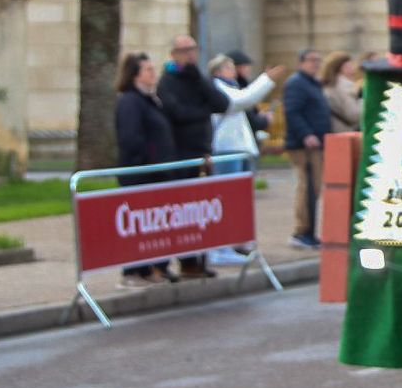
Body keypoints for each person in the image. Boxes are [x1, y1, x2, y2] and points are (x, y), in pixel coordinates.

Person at [155, 34, 232, 278]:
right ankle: (166, 262)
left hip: (202, 153)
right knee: (178, 210)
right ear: (174, 54)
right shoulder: (167, 81)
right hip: (179, 154)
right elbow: (177, 113)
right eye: (184, 50)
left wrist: (199, 81)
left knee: (199, 211)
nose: (190, 54)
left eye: (193, 49)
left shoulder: (197, 78)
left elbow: (221, 103)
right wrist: (202, 110)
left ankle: (195, 261)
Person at [208, 52, 286, 266]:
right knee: (228, 200)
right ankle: (222, 246)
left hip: (238, 150)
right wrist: (266, 80)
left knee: (239, 202)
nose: (233, 71)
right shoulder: (218, 88)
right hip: (226, 150)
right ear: (218, 71)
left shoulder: (231, 87)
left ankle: (237, 241)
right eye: (228, 67)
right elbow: (243, 101)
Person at [113, 52, 176, 287]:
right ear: (136, 75)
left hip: (157, 174)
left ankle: (155, 266)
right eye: (148, 70)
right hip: (140, 175)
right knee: (138, 225)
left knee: (155, 224)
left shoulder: (152, 99)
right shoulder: (130, 101)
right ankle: (134, 270)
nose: (154, 74)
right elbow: (130, 138)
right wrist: (150, 160)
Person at [283, 48, 330, 249]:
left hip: (317, 144)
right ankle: (302, 232)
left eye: (319, 60)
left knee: (315, 187)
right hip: (304, 146)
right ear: (301, 62)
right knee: (308, 187)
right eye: (312, 60)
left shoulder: (312, 83)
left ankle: (309, 231)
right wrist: (306, 134)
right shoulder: (296, 83)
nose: (316, 64)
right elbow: (292, 112)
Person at [322, 52, 363, 134]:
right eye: (349, 66)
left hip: (335, 131)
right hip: (346, 132)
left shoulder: (330, 85)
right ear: (339, 68)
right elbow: (354, 115)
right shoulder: (344, 86)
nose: (353, 69)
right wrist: (363, 100)